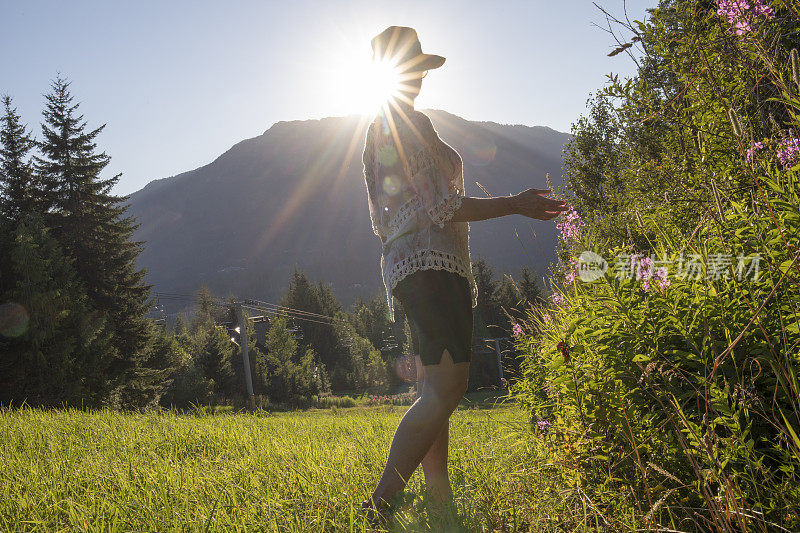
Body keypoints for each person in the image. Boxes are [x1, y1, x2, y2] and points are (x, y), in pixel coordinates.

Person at [360, 26, 567, 522]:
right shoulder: (407, 125)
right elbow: (443, 206)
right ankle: (381, 503)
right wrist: (515, 204)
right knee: (446, 389)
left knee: (437, 388)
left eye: (422, 70)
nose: (420, 79)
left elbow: (385, 217)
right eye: (413, 68)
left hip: (414, 267)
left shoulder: (384, 126)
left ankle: (439, 499)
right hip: (431, 266)